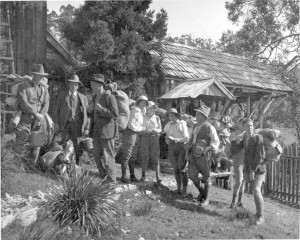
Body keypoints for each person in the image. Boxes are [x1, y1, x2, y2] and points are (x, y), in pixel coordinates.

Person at [14, 64, 50, 167]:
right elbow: (23, 103)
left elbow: (46, 104)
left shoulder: (44, 89)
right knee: (21, 141)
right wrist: (35, 114)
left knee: (37, 144)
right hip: (25, 118)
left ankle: (31, 166)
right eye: (39, 75)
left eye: (42, 75)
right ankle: (15, 166)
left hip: (39, 120)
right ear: (33, 75)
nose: (41, 77)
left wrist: (41, 116)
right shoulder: (23, 86)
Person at [186, 104, 219, 206]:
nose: (196, 115)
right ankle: (202, 192)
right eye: (196, 113)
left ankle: (206, 199)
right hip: (193, 154)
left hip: (204, 156)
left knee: (206, 177)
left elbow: (216, 141)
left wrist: (208, 148)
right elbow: (191, 139)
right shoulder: (195, 126)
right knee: (191, 174)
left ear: (204, 116)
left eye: (198, 114)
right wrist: (188, 147)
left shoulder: (210, 127)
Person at [52, 75, 90, 166]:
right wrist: (56, 123)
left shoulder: (83, 98)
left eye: (76, 85)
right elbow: (55, 110)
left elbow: (87, 114)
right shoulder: (62, 95)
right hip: (64, 124)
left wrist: (87, 127)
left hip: (77, 125)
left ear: (78, 86)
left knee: (78, 146)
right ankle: (59, 166)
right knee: (61, 144)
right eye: (72, 84)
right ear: (69, 84)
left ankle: (77, 167)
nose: (74, 87)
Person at [88, 74, 119, 183]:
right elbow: (92, 113)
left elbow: (115, 114)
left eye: (93, 84)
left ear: (99, 85)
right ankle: (103, 176)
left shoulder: (109, 97)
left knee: (108, 157)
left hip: (107, 133)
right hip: (97, 132)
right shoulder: (95, 97)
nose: (91, 86)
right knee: (96, 156)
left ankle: (111, 181)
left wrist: (102, 110)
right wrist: (89, 110)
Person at [242, 118, 266, 225]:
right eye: (247, 126)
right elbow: (246, 156)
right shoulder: (245, 138)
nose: (250, 127)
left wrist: (252, 170)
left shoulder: (258, 138)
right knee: (255, 192)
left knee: (256, 190)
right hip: (250, 169)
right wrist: (245, 169)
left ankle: (261, 217)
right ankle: (257, 213)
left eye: (251, 125)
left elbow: (259, 156)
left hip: (259, 169)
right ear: (244, 128)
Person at [121, 95, 148, 183]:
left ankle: (132, 175)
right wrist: (142, 129)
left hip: (136, 134)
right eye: (142, 102)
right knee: (127, 154)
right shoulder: (134, 110)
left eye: (145, 103)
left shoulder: (141, 111)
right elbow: (131, 125)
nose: (143, 104)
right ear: (138, 102)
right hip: (130, 133)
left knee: (133, 155)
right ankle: (124, 175)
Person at [164, 108, 189, 195]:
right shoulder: (169, 125)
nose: (171, 117)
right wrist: (167, 140)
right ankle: (179, 189)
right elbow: (167, 136)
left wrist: (175, 139)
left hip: (181, 147)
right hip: (172, 147)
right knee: (175, 169)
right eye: (169, 115)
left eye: (172, 115)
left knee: (182, 168)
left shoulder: (181, 124)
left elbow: (186, 138)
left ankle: (184, 190)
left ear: (176, 116)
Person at [140, 101, 162, 183]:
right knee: (144, 156)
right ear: (147, 109)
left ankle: (158, 177)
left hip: (154, 138)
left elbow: (160, 129)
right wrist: (144, 130)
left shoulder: (157, 118)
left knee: (156, 157)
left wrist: (155, 130)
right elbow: (139, 126)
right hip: (144, 137)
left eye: (153, 108)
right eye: (150, 108)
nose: (152, 110)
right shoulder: (142, 116)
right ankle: (143, 176)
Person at [229, 118, 246, 208]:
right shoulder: (233, 134)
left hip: (246, 161)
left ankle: (239, 202)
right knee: (239, 181)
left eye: (245, 124)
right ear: (238, 124)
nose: (243, 125)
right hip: (238, 161)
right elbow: (232, 149)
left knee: (242, 182)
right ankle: (232, 202)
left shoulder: (247, 135)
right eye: (242, 123)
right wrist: (239, 140)